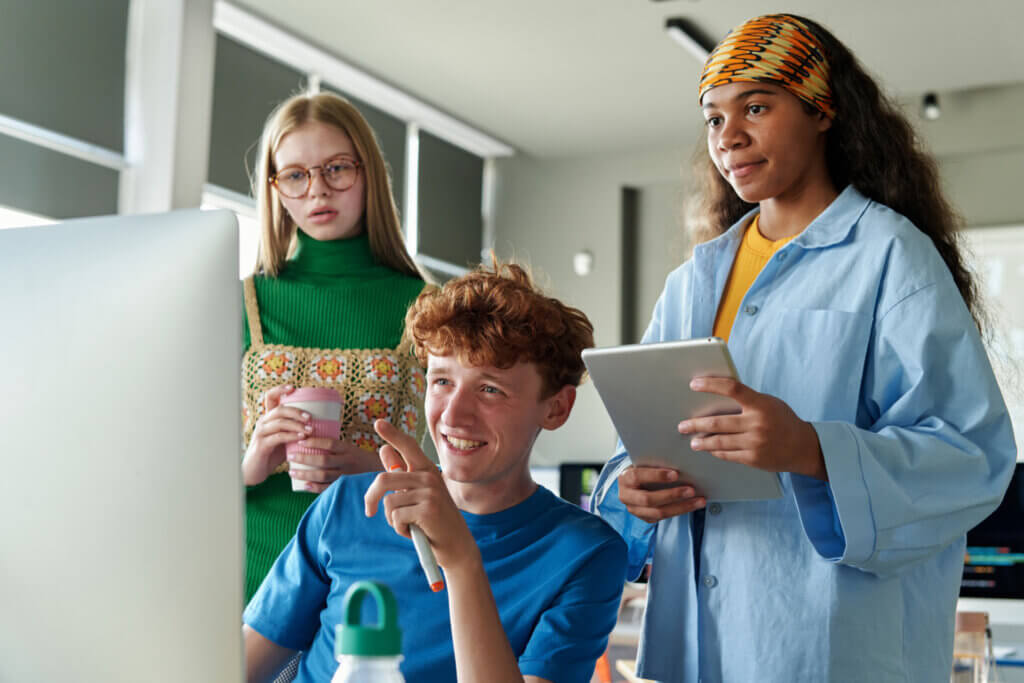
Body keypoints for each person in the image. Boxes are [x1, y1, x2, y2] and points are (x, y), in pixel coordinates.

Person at [591, 13, 1017, 683]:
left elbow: (972, 458)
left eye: (756, 106)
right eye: (713, 119)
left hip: (831, 649)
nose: (729, 136)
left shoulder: (891, 257)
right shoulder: (694, 280)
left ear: (823, 110)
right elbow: (636, 441)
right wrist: (630, 487)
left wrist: (810, 450)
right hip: (695, 647)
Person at [243, 261, 629, 683]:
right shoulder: (348, 505)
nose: (454, 416)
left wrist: (461, 561)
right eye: (442, 381)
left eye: (490, 389)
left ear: (556, 407)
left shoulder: (585, 554)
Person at [240, 92, 428, 601]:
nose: (317, 190)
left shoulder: (426, 306)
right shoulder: (243, 301)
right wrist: (251, 463)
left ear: (368, 173)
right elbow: (176, 468)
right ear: (276, 189)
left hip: (376, 565)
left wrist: (375, 464)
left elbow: (465, 465)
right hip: (253, 567)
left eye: (336, 169)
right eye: (296, 175)